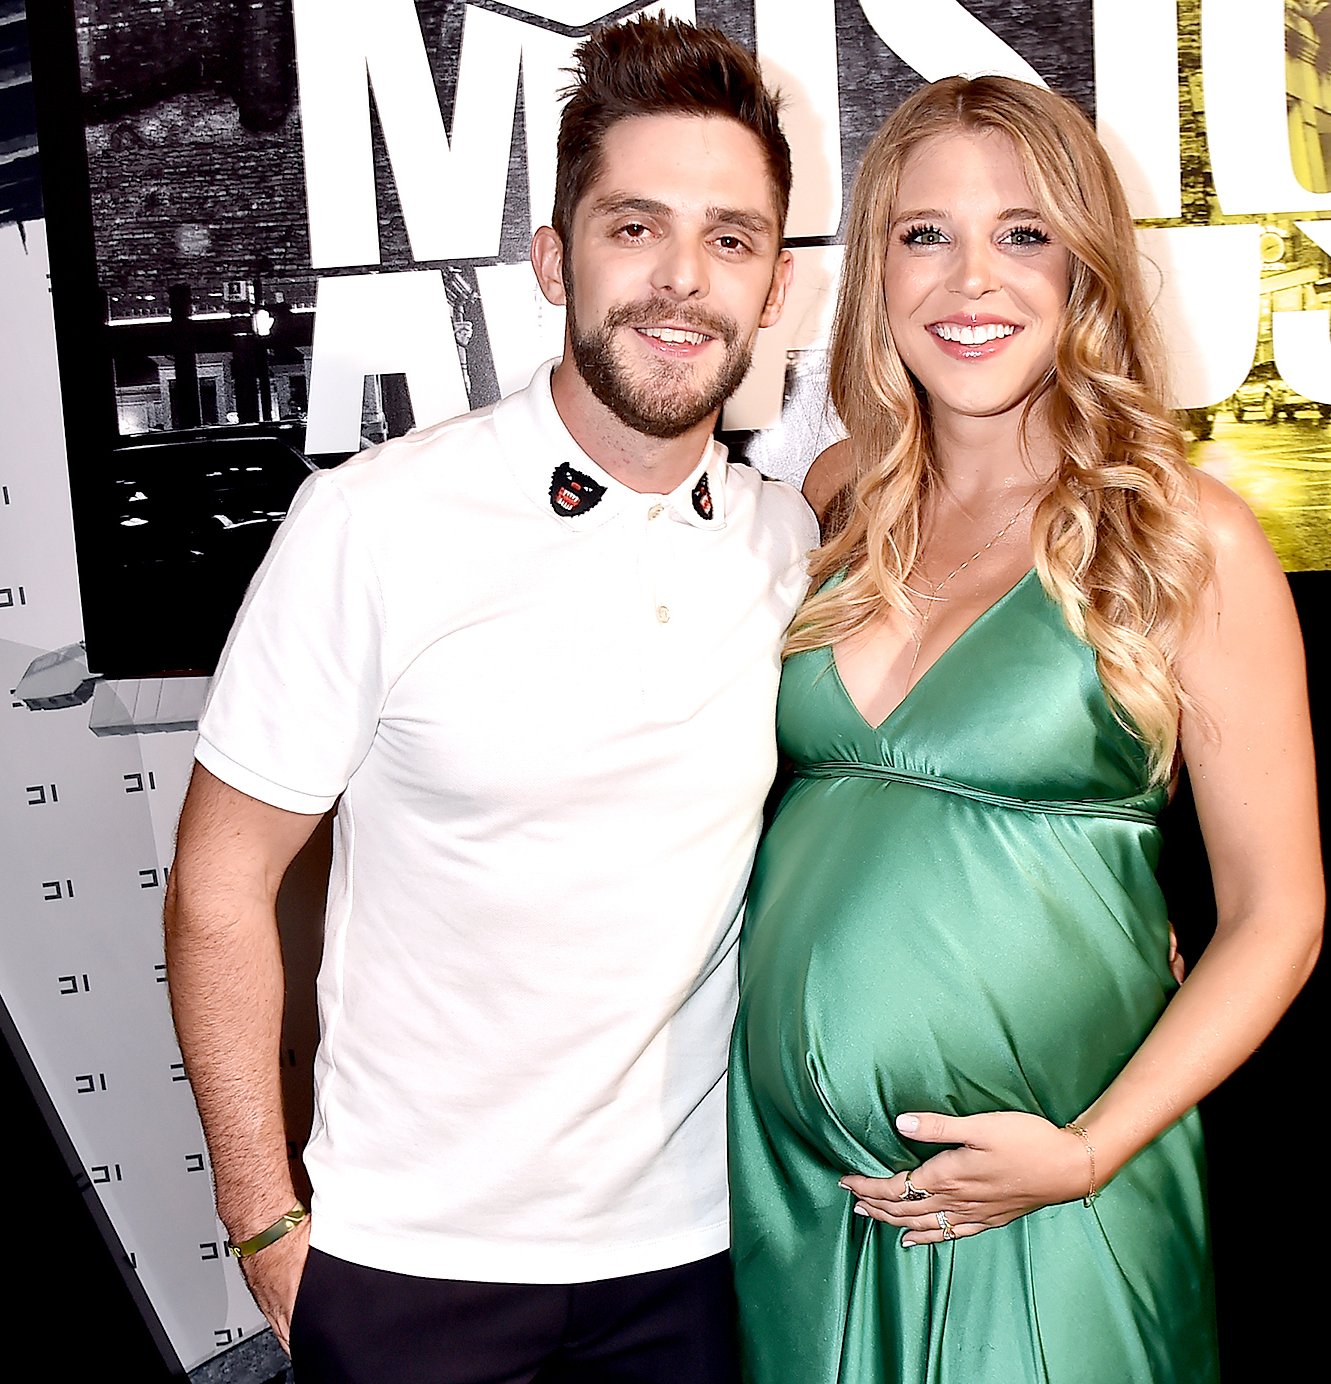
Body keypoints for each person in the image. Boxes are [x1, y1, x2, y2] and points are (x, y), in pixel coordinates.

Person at [164, 18, 815, 1384]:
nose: (682, 280)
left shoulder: (794, 548)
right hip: (411, 1270)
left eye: (732, 239)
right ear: (551, 258)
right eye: (635, 227)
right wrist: (261, 1219)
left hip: (701, 1260)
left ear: (773, 292)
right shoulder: (371, 523)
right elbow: (221, 883)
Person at [727, 76, 1324, 1383]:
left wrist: (1089, 1150)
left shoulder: (1185, 537)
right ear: (877, 265)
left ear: (1086, 270)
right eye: (925, 233)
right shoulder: (839, 500)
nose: (969, 280)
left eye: (1024, 234)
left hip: (1056, 1190)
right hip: (807, 1198)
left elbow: (1280, 916)